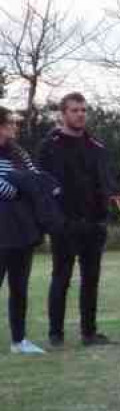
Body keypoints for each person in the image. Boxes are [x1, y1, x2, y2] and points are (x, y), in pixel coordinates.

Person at [37, 92, 114, 348]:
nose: (80, 114)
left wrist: (103, 217)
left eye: (83, 109)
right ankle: (55, 334)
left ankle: (89, 333)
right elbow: (42, 188)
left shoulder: (95, 146)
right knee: (61, 277)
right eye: (74, 110)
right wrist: (55, 223)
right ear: (63, 113)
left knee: (91, 279)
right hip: (64, 225)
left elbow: (104, 182)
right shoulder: (50, 147)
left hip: (93, 224)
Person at [0, 106, 47, 354]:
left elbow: (35, 181)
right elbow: (8, 190)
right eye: (9, 123)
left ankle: (19, 341)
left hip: (21, 231)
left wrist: (21, 188)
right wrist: (19, 188)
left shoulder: (19, 153)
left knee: (19, 288)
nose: (14, 127)